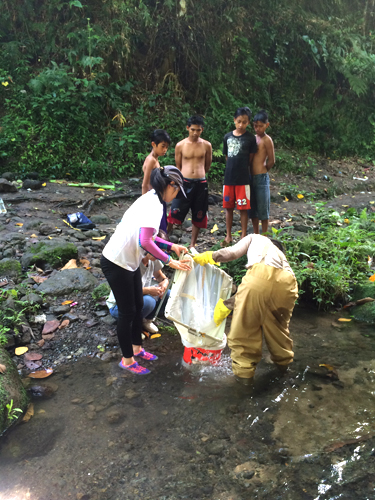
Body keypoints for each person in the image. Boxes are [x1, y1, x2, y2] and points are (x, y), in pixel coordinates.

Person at [101, 166, 190, 375]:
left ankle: (137, 348)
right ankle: (127, 360)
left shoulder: (152, 199)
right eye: (176, 190)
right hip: (116, 261)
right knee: (127, 312)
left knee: (138, 304)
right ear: (170, 185)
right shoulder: (154, 205)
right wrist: (169, 261)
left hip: (129, 261)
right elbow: (145, 240)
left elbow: (147, 235)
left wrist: (171, 246)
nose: (176, 194)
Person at [193, 234, 298, 385]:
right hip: (288, 287)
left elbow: (231, 253)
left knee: (243, 334)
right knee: (278, 332)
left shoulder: (256, 238)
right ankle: (285, 370)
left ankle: (244, 384)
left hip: (258, 279)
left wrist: (210, 256)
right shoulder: (282, 260)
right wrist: (230, 303)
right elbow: (263, 290)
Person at [167, 116, 212, 249]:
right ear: (187, 128)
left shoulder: (206, 145)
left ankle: (192, 245)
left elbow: (207, 165)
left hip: (201, 182)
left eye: (198, 130)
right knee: (174, 211)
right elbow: (178, 166)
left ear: (202, 130)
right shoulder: (180, 145)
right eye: (192, 130)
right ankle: (165, 237)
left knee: (199, 213)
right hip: (184, 182)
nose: (195, 133)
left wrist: (200, 174)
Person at [106, 252, 170, 334]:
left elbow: (159, 275)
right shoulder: (131, 262)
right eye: (157, 250)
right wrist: (148, 290)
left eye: (162, 252)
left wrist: (165, 281)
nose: (159, 254)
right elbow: (125, 290)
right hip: (119, 306)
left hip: (137, 298)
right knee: (149, 301)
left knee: (167, 294)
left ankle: (146, 320)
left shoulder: (153, 259)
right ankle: (131, 326)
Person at [222, 107, 258, 247]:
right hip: (229, 178)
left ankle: (243, 234)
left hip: (243, 179)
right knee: (228, 207)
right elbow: (227, 156)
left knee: (243, 208)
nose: (241, 125)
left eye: (244, 122)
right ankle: (228, 235)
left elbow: (250, 158)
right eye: (238, 121)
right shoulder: (227, 137)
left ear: (248, 122)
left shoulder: (250, 138)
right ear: (234, 120)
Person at [248, 110, 275, 234]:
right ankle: (255, 234)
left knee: (263, 207)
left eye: (260, 126)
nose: (257, 128)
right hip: (250, 177)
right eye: (255, 126)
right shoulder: (253, 139)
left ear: (267, 125)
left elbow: (271, 160)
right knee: (253, 208)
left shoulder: (267, 139)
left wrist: (264, 169)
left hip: (261, 177)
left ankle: (264, 235)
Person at [142, 129, 171, 231]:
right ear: (154, 144)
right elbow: (145, 184)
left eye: (166, 147)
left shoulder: (155, 159)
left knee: (161, 227)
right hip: (152, 198)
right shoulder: (151, 160)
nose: (165, 150)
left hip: (158, 196)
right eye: (163, 146)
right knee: (158, 229)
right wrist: (144, 203)